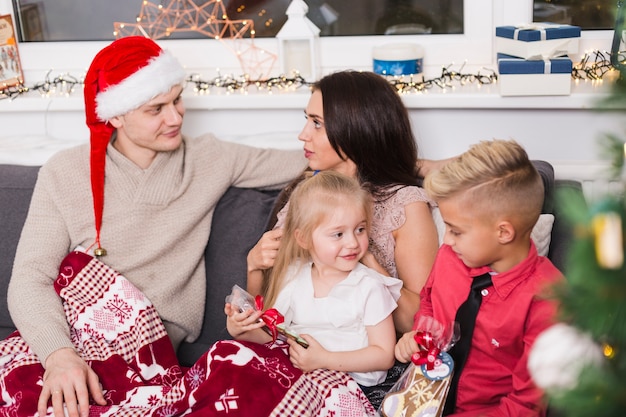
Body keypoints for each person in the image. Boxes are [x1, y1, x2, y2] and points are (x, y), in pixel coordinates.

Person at [6, 36, 308, 417]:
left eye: (178, 99)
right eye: (156, 109)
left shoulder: (209, 159)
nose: (176, 117)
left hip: (144, 350)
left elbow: (308, 161)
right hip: (65, 338)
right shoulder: (65, 172)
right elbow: (30, 278)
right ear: (115, 115)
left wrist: (402, 165)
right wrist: (59, 355)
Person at [247, 70, 440, 336]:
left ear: (355, 130)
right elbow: (269, 314)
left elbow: (419, 324)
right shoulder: (305, 195)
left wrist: (367, 264)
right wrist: (255, 264)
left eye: (317, 123)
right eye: (307, 120)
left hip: (365, 360)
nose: (303, 135)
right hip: (293, 352)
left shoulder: (404, 206)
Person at [394, 139, 565, 416]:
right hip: (423, 396)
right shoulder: (450, 257)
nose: (446, 239)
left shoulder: (547, 300)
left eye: (456, 230)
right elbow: (428, 303)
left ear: (504, 232)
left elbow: (524, 405)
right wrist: (418, 337)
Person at [226, 170, 402, 388]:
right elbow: (277, 342)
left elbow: (384, 355)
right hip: (301, 376)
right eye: (338, 234)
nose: (353, 243)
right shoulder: (295, 276)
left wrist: (324, 359)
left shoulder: (370, 286)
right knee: (227, 357)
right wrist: (241, 330)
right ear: (304, 239)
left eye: (360, 229)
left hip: (349, 383)